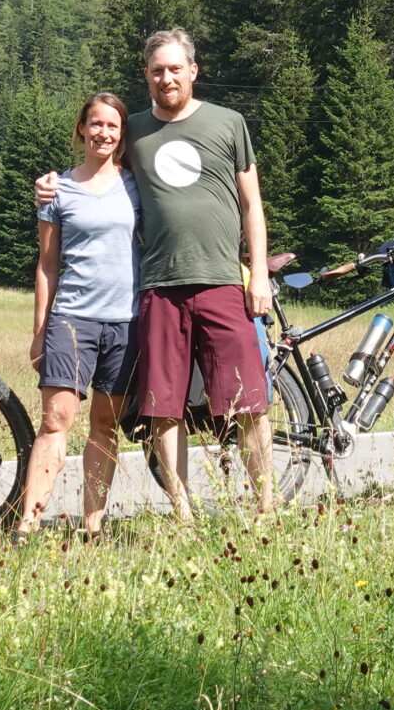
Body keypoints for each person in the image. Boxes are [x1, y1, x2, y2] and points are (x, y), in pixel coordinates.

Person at [41, 28, 275, 522]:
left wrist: (258, 275)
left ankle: (267, 508)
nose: (166, 78)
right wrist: (51, 185)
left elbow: (253, 204)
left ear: (193, 70)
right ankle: (183, 514)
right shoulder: (136, 131)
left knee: (249, 400)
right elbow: (94, 164)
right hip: (157, 289)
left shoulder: (228, 123)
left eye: (174, 68)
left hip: (221, 281)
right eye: (156, 71)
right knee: (164, 407)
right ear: (146, 77)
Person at [15, 92, 136, 537]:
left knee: (104, 425)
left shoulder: (135, 185)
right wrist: (39, 331)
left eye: (112, 126)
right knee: (55, 421)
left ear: (121, 135)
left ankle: (93, 527)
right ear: (81, 129)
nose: (103, 133)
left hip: (125, 319)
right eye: (96, 124)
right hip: (72, 317)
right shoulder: (57, 189)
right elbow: (47, 265)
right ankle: (28, 524)